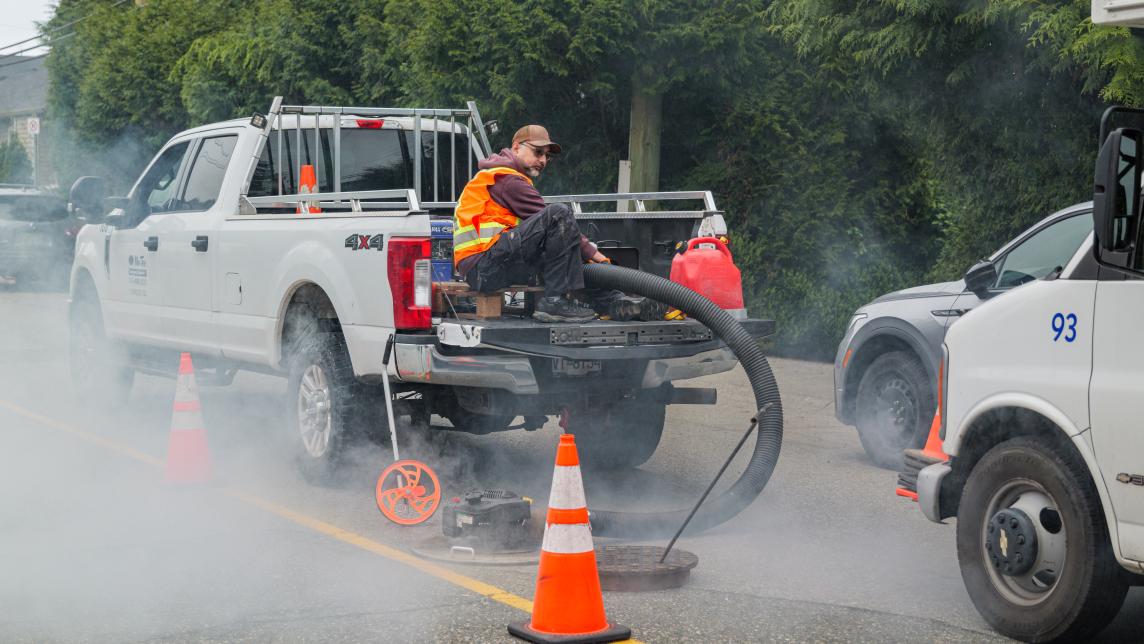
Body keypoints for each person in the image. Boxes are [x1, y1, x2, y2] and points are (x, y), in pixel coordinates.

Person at [453, 124, 661, 323]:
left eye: (547, 156)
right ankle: (554, 302)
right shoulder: (506, 180)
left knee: (563, 248)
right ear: (516, 147)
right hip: (484, 267)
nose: (543, 160)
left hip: (495, 264)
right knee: (558, 214)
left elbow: (558, 239)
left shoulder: (509, 179)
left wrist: (586, 255)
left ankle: (615, 303)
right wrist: (596, 256)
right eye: (538, 152)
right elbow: (554, 220)